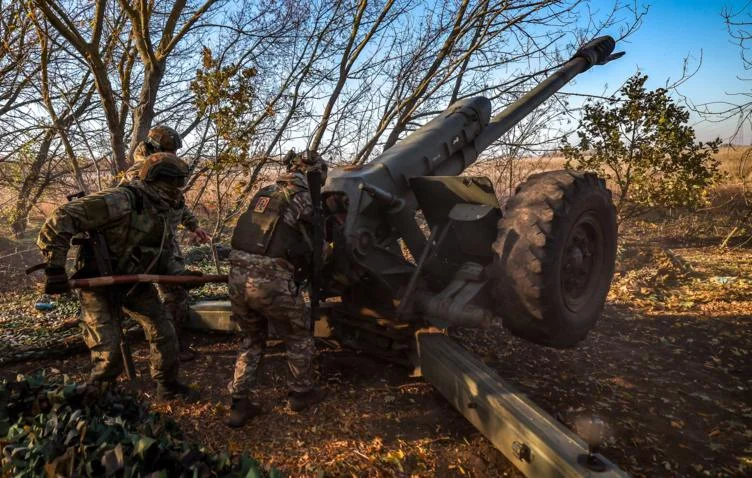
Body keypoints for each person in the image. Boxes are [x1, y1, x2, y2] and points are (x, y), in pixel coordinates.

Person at [37, 152, 198, 400]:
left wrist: (181, 275)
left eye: (181, 183)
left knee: (164, 332)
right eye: (174, 183)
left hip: (134, 283)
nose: (178, 190)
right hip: (97, 282)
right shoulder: (122, 200)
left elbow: (163, 251)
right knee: (108, 351)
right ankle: (100, 396)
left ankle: (168, 386)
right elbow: (61, 218)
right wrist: (55, 268)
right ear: (155, 180)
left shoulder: (165, 210)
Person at [226, 150, 327, 427]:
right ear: (316, 173)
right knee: (297, 335)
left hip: (237, 276)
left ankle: (239, 402)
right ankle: (301, 393)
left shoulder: (265, 192)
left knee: (251, 339)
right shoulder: (306, 199)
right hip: (270, 281)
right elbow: (321, 249)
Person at [123, 126, 210, 361]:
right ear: (156, 149)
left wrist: (194, 226)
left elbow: (176, 202)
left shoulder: (162, 168)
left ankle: (171, 345)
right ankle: (167, 347)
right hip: (147, 246)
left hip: (166, 242)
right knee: (165, 296)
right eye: (170, 151)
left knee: (177, 294)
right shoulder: (140, 173)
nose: (174, 156)